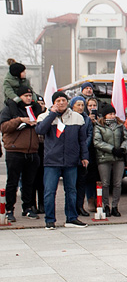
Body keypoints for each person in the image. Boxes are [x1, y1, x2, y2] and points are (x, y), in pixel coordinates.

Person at [35, 91, 90, 229]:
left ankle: (71, 218)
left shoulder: (77, 118)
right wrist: (52, 114)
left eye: (63, 100)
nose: (61, 103)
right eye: (58, 101)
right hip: (52, 161)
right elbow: (40, 130)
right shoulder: (44, 116)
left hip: (71, 160)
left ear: (67, 102)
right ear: (53, 103)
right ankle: (49, 220)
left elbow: (82, 140)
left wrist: (84, 156)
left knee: (71, 190)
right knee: (49, 191)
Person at [0, 84, 43, 221]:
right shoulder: (9, 110)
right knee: (12, 183)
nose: (29, 98)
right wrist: (19, 120)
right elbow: (3, 127)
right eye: (26, 96)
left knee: (29, 182)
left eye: (30, 96)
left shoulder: (34, 110)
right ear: (19, 97)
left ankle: (28, 208)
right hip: (15, 151)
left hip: (32, 151)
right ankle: (9, 209)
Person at [92, 103, 127, 217]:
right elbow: (97, 142)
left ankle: (115, 206)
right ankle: (106, 205)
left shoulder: (120, 125)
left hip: (119, 157)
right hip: (104, 157)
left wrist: (123, 148)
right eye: (109, 114)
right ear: (104, 115)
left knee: (117, 183)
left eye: (113, 113)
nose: (112, 116)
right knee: (105, 183)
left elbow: (126, 138)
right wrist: (111, 149)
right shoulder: (99, 126)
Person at [68, 96, 95, 217]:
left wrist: (84, 146)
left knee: (81, 183)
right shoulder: (68, 117)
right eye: (77, 105)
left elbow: (89, 134)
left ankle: (80, 206)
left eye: (82, 105)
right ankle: (71, 207)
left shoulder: (86, 119)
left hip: (84, 154)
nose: (80, 107)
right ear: (72, 106)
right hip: (71, 154)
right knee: (71, 184)